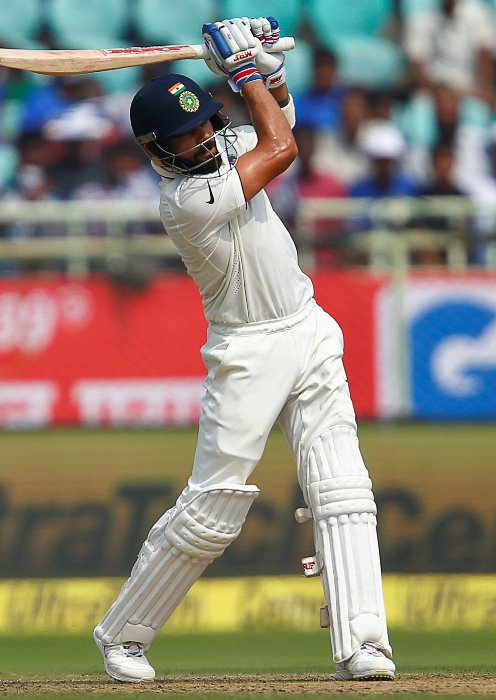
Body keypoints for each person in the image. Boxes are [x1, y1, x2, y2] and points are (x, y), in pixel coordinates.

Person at [91, 17, 396, 683]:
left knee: (342, 488)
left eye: (204, 127)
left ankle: (363, 643)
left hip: (307, 325)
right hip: (247, 351)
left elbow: (277, 116)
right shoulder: (185, 199)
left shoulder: (227, 144)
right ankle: (123, 635)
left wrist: (262, 63)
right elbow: (281, 148)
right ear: (159, 151)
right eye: (185, 138)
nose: (201, 142)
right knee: (213, 508)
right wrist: (245, 71)